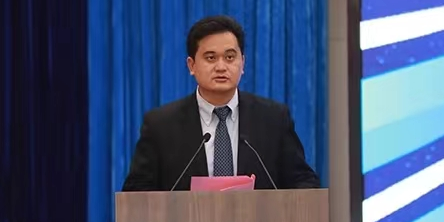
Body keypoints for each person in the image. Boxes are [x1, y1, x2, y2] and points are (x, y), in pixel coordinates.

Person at [122, 15, 320, 191]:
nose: (221, 67)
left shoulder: (273, 119)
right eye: (210, 58)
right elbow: (137, 191)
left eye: (230, 57)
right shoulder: (161, 125)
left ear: (242, 63)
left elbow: (303, 181)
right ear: (192, 65)